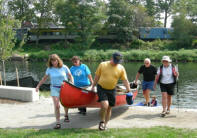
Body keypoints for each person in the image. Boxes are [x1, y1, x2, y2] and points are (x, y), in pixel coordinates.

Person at [91, 52, 130, 131]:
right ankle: (102, 121)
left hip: (112, 89)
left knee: (109, 108)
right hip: (101, 87)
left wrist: (128, 89)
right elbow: (97, 76)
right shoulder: (103, 64)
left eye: (118, 62)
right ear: (111, 58)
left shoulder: (121, 68)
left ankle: (105, 125)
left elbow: (125, 80)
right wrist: (93, 86)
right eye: (115, 61)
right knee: (105, 105)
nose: (116, 63)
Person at [36, 54, 74, 129]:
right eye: (52, 61)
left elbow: (70, 76)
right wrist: (38, 86)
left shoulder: (64, 67)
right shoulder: (49, 69)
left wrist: (72, 84)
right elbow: (44, 78)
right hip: (54, 88)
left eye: (55, 60)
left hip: (64, 88)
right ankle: (58, 123)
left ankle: (66, 115)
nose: (54, 62)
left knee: (65, 104)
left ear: (58, 60)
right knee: (57, 106)